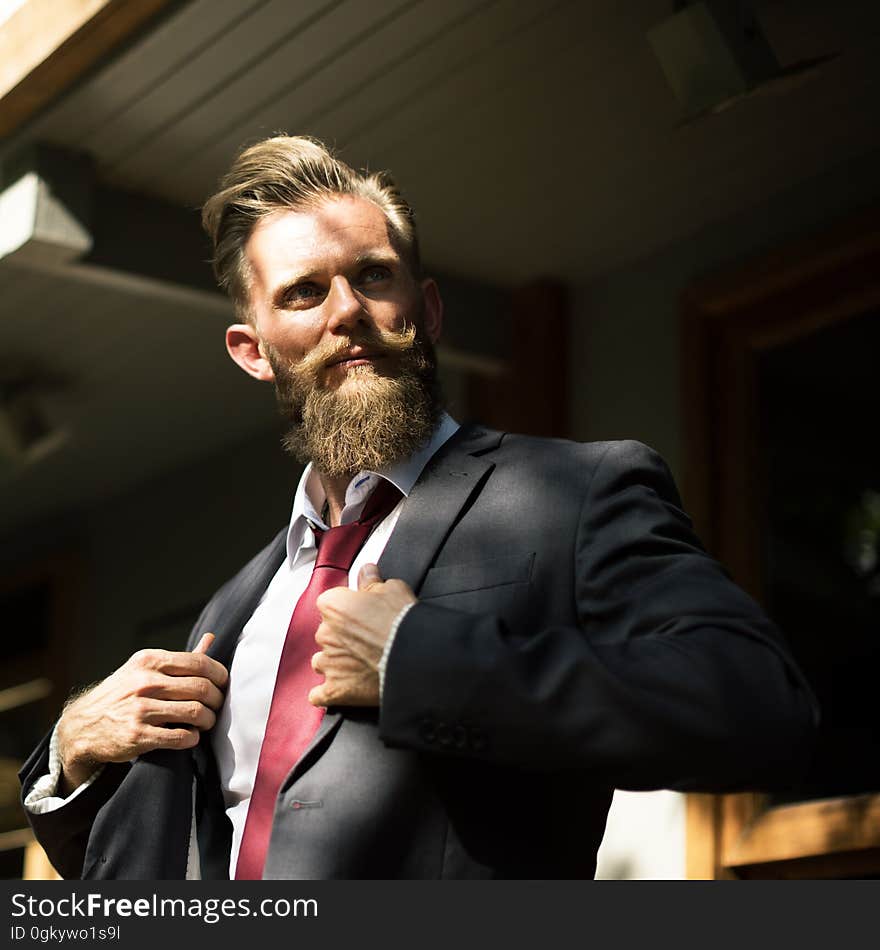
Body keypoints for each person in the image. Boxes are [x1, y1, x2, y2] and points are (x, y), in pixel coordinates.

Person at [20, 135, 817, 880]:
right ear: (253, 352)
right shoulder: (234, 606)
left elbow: (757, 706)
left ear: (427, 309)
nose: (346, 312)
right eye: (303, 293)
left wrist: (419, 663)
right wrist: (70, 753)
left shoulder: (577, 495)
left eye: (372, 275)